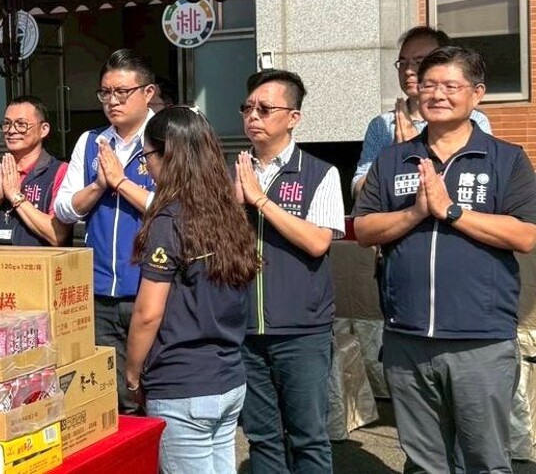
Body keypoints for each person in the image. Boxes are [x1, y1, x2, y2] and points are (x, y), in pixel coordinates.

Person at [353, 46, 536, 474]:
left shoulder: (506, 158)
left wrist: (452, 211)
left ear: (477, 94)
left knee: (485, 460)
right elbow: (364, 229)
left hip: (480, 339)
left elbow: (525, 235)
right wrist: (415, 212)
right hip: (407, 337)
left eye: (451, 86)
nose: (437, 94)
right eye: (429, 85)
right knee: (423, 463)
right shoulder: (394, 158)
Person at [126, 107, 260, 473]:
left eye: (146, 157)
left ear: (167, 156)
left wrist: (133, 374)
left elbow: (148, 313)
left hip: (182, 386)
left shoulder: (169, 220)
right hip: (229, 378)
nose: (146, 167)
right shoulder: (228, 211)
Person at [234, 69, 344, 474]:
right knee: (261, 436)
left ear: (293, 117)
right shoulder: (233, 171)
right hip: (244, 329)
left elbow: (318, 241)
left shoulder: (319, 172)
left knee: (308, 436)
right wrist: (235, 204)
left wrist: (260, 200)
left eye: (265, 109)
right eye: (247, 108)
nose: (253, 116)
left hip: (302, 330)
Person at [54, 49, 157, 413]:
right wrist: (99, 185)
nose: (112, 101)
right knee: (114, 398)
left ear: (148, 92)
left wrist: (121, 183)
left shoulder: (166, 137)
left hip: (152, 287)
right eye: (105, 93)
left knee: (155, 391)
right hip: (99, 293)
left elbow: (177, 206)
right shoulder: (92, 141)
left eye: (122, 92)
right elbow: (64, 208)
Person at [352, 26, 491, 198]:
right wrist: (397, 158)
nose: (408, 71)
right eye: (403, 63)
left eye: (419, 62)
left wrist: (418, 150)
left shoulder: (473, 119)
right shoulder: (382, 124)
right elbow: (359, 190)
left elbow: (481, 178)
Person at [0, 95, 71, 246]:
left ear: (44, 129)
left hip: (38, 260)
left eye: (21, 124)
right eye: (6, 124)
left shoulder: (59, 171)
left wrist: (15, 196)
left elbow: (56, 235)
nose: (11, 130)